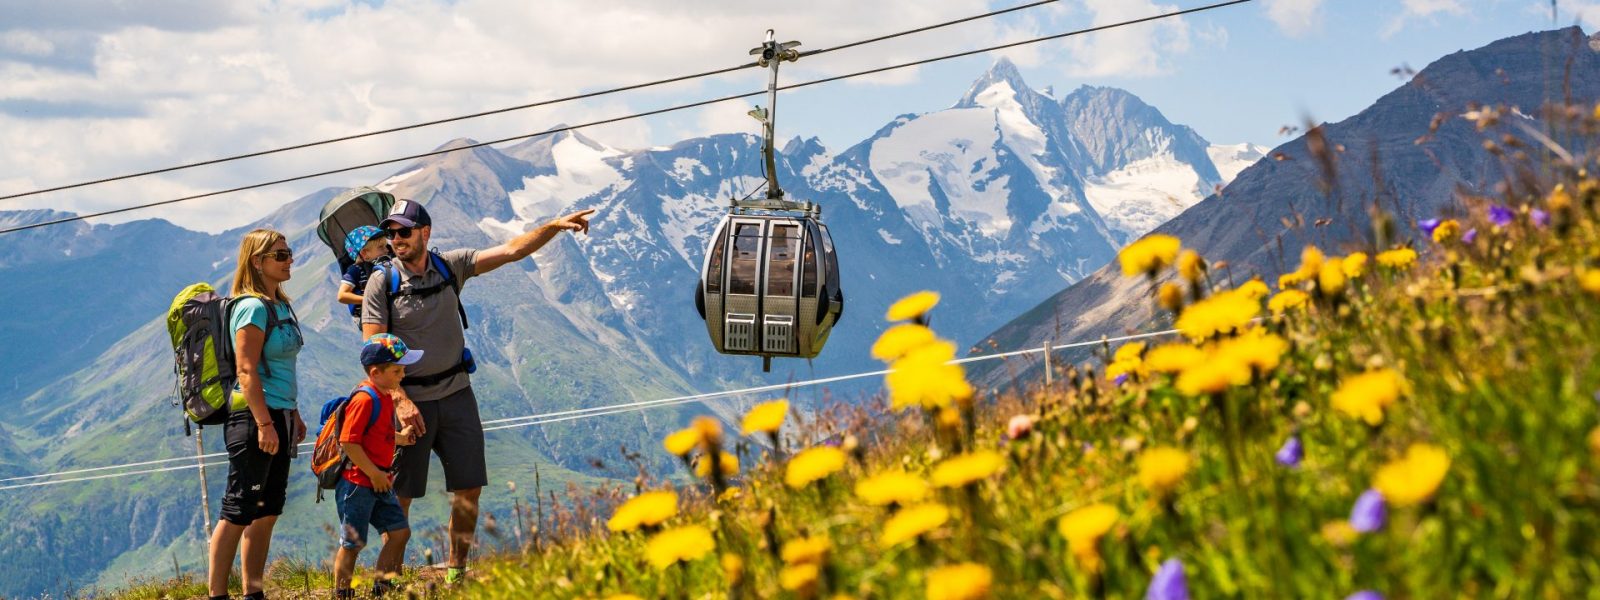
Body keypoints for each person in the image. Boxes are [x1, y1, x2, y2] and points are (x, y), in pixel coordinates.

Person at [362, 199, 595, 584]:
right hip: (410, 401)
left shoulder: (450, 265)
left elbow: (510, 251)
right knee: (401, 494)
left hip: (457, 394)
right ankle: (389, 579)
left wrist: (553, 226)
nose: (396, 239)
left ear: (425, 232)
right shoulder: (381, 282)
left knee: (468, 487)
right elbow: (373, 354)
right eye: (391, 233)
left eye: (403, 231)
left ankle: (456, 572)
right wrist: (399, 400)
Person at [208, 229, 306, 600]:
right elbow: (246, 371)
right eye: (280, 255)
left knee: (267, 510)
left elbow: (280, 368)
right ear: (257, 262)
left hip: (278, 416)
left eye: (289, 252)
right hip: (253, 420)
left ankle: (254, 592)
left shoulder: (281, 304)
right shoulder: (250, 307)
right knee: (238, 509)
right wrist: (265, 423)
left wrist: (291, 414)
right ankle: (217, 594)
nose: (288, 259)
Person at [332, 333, 420, 599]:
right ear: (375, 372)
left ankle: (382, 588)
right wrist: (374, 473)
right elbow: (349, 441)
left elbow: (377, 433)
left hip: (378, 479)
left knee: (399, 532)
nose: (402, 375)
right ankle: (342, 594)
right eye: (397, 370)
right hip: (358, 483)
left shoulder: (384, 395)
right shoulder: (365, 399)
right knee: (352, 544)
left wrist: (400, 438)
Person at [337, 226, 390, 328]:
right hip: (365, 317)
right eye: (381, 247)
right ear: (365, 253)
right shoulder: (355, 270)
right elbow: (342, 295)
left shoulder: (382, 267)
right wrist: (368, 299)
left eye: (386, 246)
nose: (387, 250)